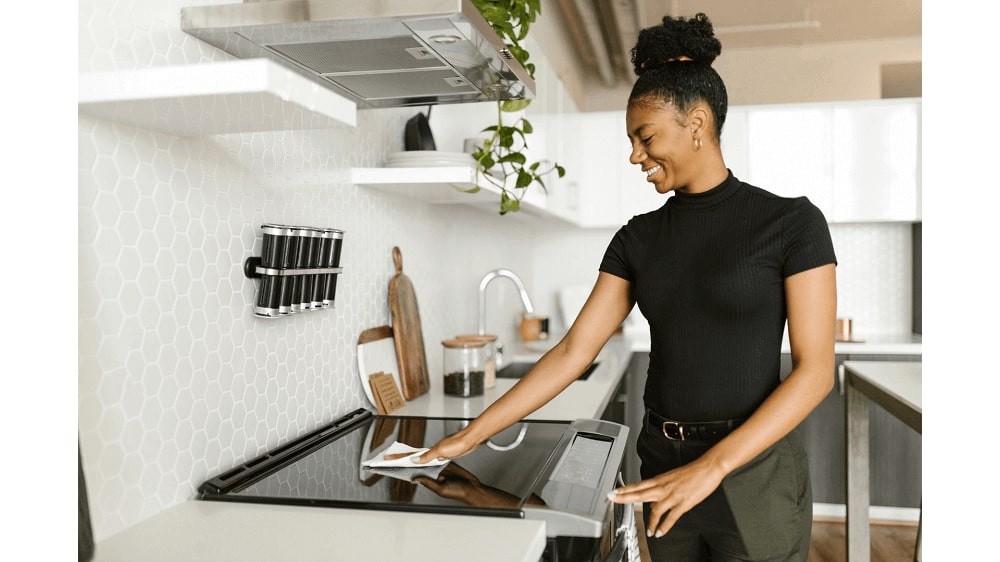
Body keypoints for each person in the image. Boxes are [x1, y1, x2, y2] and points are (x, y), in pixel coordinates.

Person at [416, 12, 837, 561]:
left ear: (698, 123)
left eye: (645, 136)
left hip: (754, 471)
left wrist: (711, 467)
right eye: (632, 140)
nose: (635, 154)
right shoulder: (637, 238)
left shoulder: (793, 224)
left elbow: (815, 372)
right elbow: (572, 352)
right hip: (662, 461)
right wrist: (468, 437)